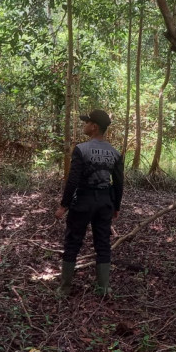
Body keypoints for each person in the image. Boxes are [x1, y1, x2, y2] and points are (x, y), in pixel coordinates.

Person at [55, 109, 124, 297]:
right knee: (102, 243)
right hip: (105, 202)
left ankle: (64, 288)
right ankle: (103, 289)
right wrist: (116, 206)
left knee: (73, 241)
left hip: (84, 201)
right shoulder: (115, 153)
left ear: (94, 127)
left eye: (87, 123)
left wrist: (64, 205)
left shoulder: (81, 149)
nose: (84, 125)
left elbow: (73, 179)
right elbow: (118, 182)